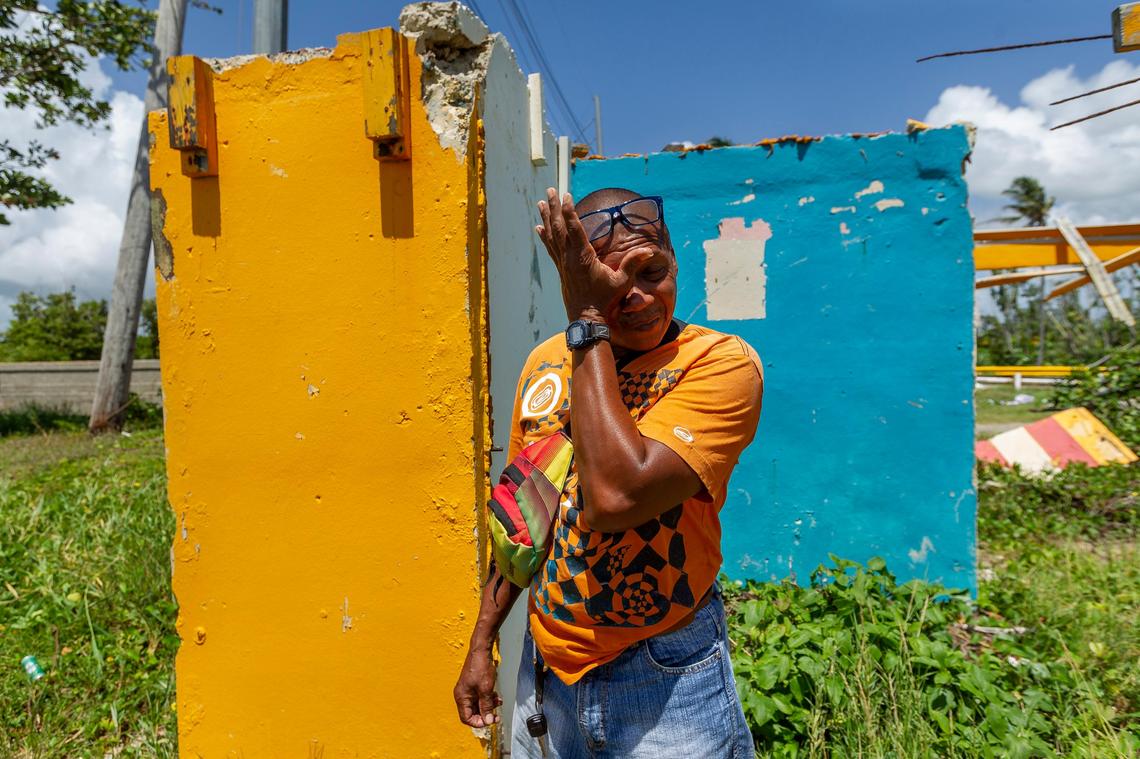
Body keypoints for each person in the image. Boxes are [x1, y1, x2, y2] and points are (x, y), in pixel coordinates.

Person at [454, 186, 763, 758]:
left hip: (666, 677)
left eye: (654, 271)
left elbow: (617, 498)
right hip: (547, 675)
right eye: (613, 282)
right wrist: (483, 641)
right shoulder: (547, 363)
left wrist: (589, 319)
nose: (640, 295)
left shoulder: (719, 365)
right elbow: (529, 516)